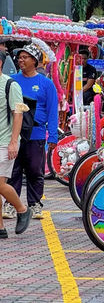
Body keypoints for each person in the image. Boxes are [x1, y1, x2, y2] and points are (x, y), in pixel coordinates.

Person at [6, 43, 58, 221]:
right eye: (19, 57)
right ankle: (11, 205)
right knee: (12, 170)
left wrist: (53, 135)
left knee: (35, 170)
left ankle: (35, 204)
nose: (21, 60)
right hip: (15, 134)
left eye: (25, 57)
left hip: (36, 134)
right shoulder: (12, 81)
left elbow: (52, 111)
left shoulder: (46, 84)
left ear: (34, 60)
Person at [0, 72, 32, 236]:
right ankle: (0, 228)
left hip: (5, 142)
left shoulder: (10, 85)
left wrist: (13, 142)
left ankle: (22, 209)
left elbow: (18, 114)